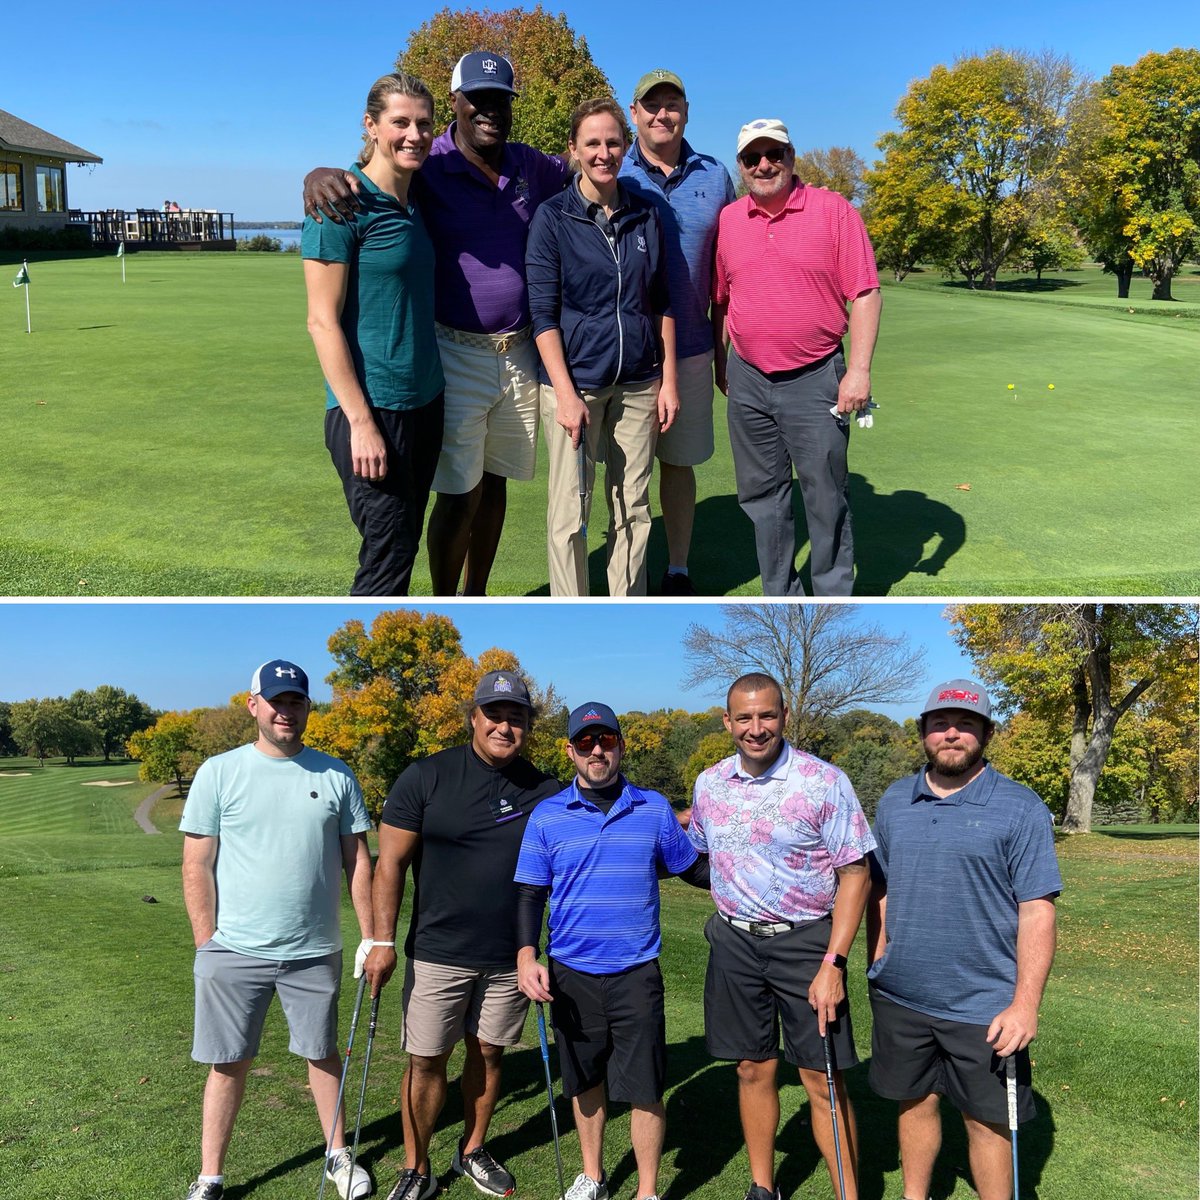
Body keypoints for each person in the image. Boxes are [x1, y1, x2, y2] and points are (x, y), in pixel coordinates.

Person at [304, 53, 570, 596]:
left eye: (500, 99)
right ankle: (441, 603)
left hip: (496, 363)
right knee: (424, 520)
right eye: (478, 99)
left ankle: (475, 598)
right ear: (457, 103)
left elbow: (585, 162)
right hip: (435, 366)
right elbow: (321, 320)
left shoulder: (522, 166)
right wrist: (317, 175)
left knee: (489, 486)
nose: (413, 134)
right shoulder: (422, 167)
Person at [179, 660, 375, 1200]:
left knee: (322, 1054)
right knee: (228, 1063)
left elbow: (358, 861)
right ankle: (211, 1176)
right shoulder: (219, 772)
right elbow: (196, 864)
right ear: (253, 705)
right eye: (276, 701)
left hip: (314, 950)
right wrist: (205, 942)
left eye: (295, 701)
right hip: (233, 950)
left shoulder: (336, 774)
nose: (285, 711)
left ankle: (337, 1155)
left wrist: (371, 935)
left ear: (307, 707)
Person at [363, 671, 561, 1200]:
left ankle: (472, 1149)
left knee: (490, 1054)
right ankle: (416, 1166)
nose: (504, 726)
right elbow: (390, 865)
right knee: (426, 1059)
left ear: (528, 726)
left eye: (516, 717)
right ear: (473, 718)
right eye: (494, 715)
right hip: (438, 952)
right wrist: (382, 941)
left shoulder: (544, 790)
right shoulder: (426, 777)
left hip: (509, 956)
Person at [866, 680, 1062, 1200]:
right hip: (902, 996)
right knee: (914, 1104)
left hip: (984, 1006)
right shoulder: (895, 800)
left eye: (966, 724)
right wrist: (878, 958)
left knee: (986, 1121)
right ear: (923, 732)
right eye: (940, 723)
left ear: (987, 733)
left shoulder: (1020, 807)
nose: (951, 733)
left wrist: (1025, 1004)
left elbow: (1037, 910)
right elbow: (880, 887)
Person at [687, 672, 874, 1200]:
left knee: (822, 1077)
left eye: (767, 715)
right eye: (744, 718)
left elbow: (856, 873)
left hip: (807, 944)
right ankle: (762, 1187)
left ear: (784, 716)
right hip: (734, 943)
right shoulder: (710, 783)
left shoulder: (823, 781)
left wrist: (834, 964)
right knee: (751, 1067)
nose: (756, 728)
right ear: (727, 722)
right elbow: (697, 845)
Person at [514, 701, 710, 1200]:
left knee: (646, 1087)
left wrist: (753, 870)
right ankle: (593, 1176)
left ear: (621, 746)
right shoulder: (547, 816)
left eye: (606, 740)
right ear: (570, 751)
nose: (596, 750)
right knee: (584, 1081)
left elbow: (691, 868)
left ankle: (646, 1190)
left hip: (636, 973)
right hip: (571, 972)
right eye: (586, 742)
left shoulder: (653, 808)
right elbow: (530, 893)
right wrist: (526, 955)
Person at [713, 119, 882, 596]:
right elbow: (722, 300)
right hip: (748, 377)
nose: (764, 165)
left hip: (816, 376)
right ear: (741, 165)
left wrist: (859, 371)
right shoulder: (730, 220)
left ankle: (830, 598)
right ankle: (781, 597)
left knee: (825, 497)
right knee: (762, 498)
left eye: (775, 154)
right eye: (752, 158)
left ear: (791, 157)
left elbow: (865, 293)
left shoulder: (833, 211)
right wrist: (721, 362)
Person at [526, 97, 678, 596]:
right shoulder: (552, 218)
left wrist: (667, 381)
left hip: (638, 384)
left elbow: (661, 302)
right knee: (570, 512)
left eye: (613, 142)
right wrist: (566, 394)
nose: (603, 152)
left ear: (625, 145)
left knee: (633, 508)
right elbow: (543, 315)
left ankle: (626, 606)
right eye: (592, 143)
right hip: (575, 386)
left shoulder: (645, 213)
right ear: (573, 149)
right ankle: (570, 610)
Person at [302, 72, 444, 597]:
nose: (414, 135)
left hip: (426, 403)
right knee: (387, 555)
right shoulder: (339, 205)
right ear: (371, 125)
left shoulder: (418, 196)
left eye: (423, 124)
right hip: (371, 411)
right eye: (400, 122)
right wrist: (361, 424)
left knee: (402, 545)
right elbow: (322, 321)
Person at [620, 70, 736, 595]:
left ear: (686, 113)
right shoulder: (612, 167)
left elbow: (730, 267)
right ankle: (627, 572)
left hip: (690, 348)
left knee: (679, 463)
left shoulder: (714, 175)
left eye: (672, 104)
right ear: (634, 113)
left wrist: (722, 352)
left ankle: (678, 568)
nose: (661, 114)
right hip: (626, 351)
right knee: (627, 471)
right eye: (652, 105)